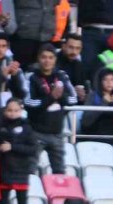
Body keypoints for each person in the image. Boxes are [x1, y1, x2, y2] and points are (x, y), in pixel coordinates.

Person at [24, 43, 76, 175]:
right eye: (44, 57)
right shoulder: (31, 77)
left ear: (55, 59)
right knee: (29, 169)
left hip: (57, 133)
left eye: (50, 57)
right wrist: (51, 97)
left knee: (59, 172)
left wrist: (60, 96)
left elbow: (73, 99)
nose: (47, 61)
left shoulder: (62, 75)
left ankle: (60, 196)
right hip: (36, 133)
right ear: (38, 59)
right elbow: (29, 103)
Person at [0, 98, 37, 204]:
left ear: (21, 111)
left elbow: (32, 149)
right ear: (5, 110)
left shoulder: (27, 127)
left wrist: (12, 147)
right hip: (4, 169)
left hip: (21, 169)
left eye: (16, 110)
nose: (12, 113)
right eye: (10, 110)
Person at [80, 67, 113, 143]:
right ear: (100, 81)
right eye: (105, 79)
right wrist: (103, 103)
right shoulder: (93, 96)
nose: (109, 82)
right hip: (96, 134)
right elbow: (86, 122)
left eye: (112, 79)